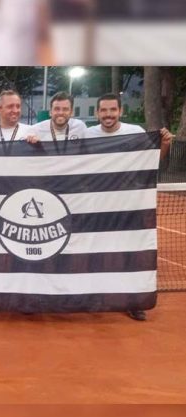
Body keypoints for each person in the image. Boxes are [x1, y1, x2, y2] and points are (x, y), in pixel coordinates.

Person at [85, 93, 173, 322]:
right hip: (97, 207)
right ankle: (96, 296)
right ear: (97, 113)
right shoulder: (88, 135)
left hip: (130, 207)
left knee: (130, 255)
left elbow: (151, 161)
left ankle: (133, 302)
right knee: (97, 253)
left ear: (120, 111)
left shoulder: (136, 132)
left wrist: (164, 145)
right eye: (104, 110)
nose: (108, 115)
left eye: (112, 110)